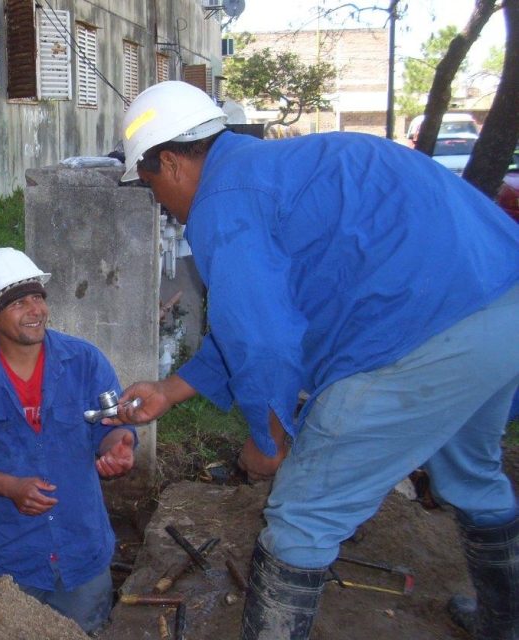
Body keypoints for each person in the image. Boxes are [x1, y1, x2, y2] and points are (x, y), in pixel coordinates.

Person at [109, 81, 519, 640]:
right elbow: (252, 320)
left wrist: (269, 439)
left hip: (420, 334)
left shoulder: (222, 202)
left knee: (302, 516)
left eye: (153, 186)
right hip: (501, 303)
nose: (163, 205)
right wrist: (170, 389)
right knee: (470, 470)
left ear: (174, 162)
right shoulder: (281, 166)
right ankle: (505, 622)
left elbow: (264, 341)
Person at [0, 247, 137, 635]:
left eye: (38, 297)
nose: (35, 310)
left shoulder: (85, 361)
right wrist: (8, 486)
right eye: (18, 302)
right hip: (12, 558)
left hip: (82, 553)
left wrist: (119, 445)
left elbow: (113, 426)